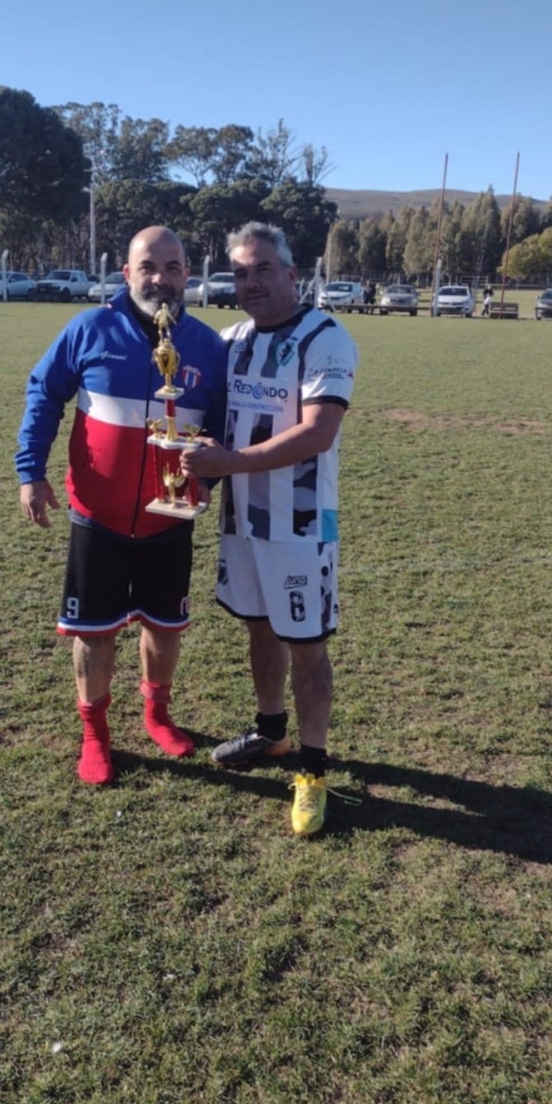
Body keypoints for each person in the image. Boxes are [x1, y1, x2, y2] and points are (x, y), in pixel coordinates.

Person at [16, 226, 227, 785]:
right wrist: (29, 472)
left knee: (165, 625)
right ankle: (96, 734)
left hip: (169, 519)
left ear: (188, 274)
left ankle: (157, 714)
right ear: (127, 273)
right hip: (98, 516)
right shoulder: (89, 329)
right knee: (96, 632)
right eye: (149, 266)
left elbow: (223, 428)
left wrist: (210, 474)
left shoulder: (207, 345)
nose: (162, 278)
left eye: (174, 266)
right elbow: (44, 392)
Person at [181, 222, 359, 836]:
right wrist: (199, 472)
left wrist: (227, 463)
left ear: (291, 272)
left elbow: (318, 433)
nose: (250, 282)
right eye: (240, 272)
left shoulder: (325, 338)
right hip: (242, 520)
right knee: (259, 627)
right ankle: (270, 732)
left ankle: (312, 769)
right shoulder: (232, 340)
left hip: (302, 522)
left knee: (306, 643)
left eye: (262, 269)